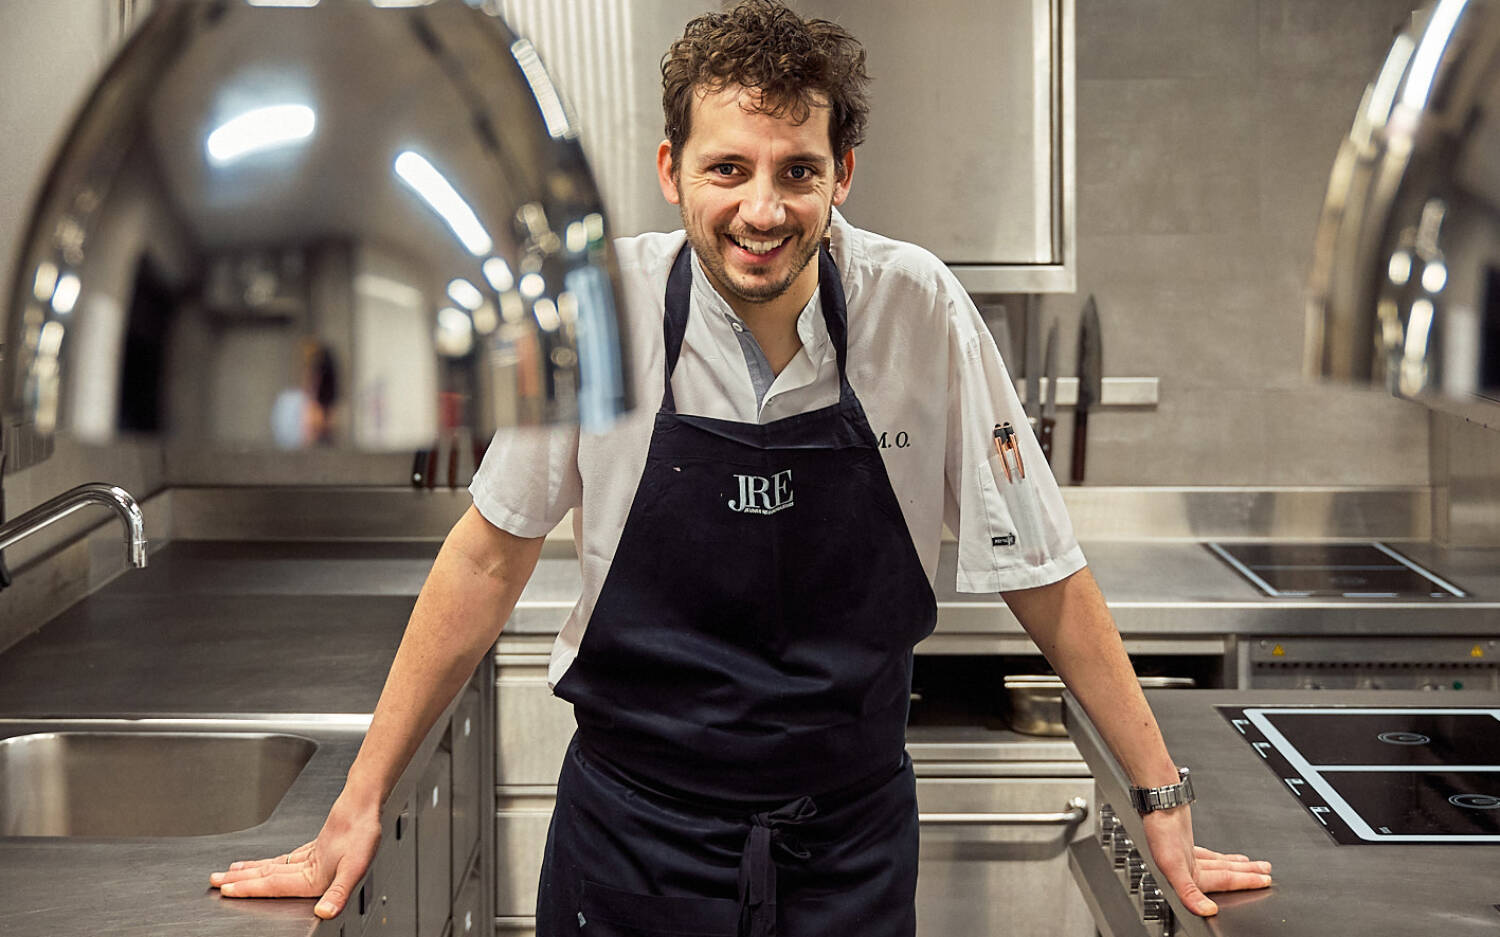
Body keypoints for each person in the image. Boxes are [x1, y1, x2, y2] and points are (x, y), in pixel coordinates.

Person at [211, 2, 1273, 933]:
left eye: (797, 171)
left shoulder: (922, 310)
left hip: (848, 855)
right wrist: (357, 803)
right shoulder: (605, 312)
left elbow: (1045, 570)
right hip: (631, 848)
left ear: (840, 174)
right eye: (729, 168)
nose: (762, 209)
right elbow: (487, 559)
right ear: (672, 170)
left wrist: (1160, 800)